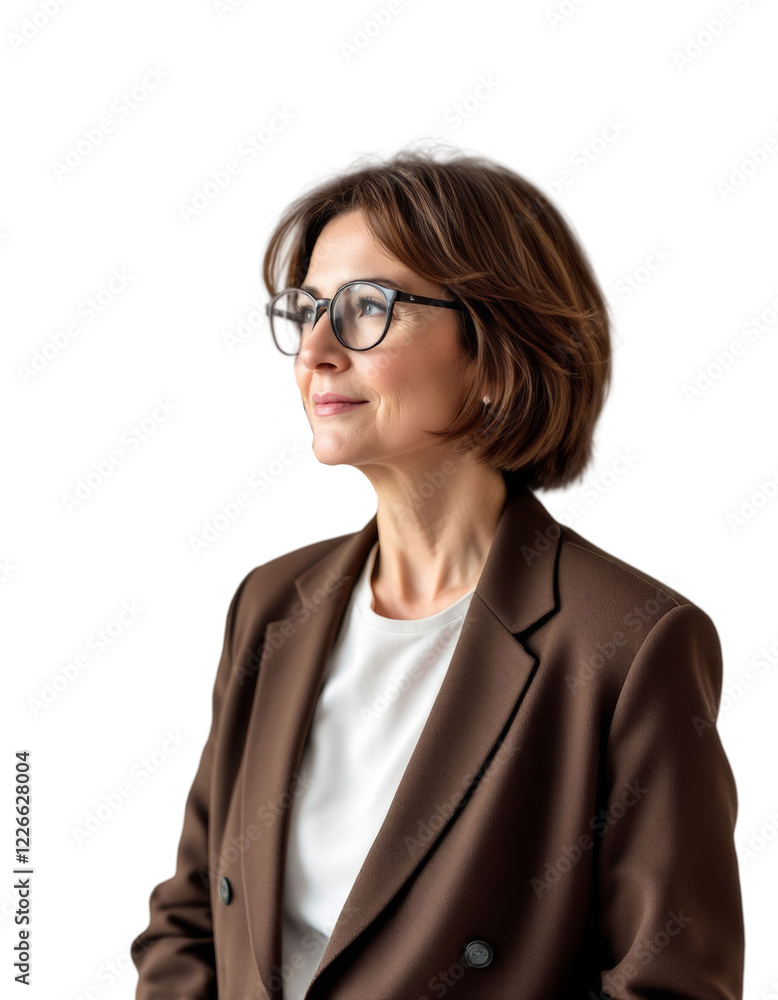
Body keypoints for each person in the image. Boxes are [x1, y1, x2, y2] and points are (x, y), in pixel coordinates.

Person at [130, 147, 744, 1000]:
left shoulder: (628, 642)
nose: (315, 351)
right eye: (307, 310)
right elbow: (195, 914)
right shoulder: (270, 604)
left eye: (367, 308)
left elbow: (668, 984)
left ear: (495, 352)